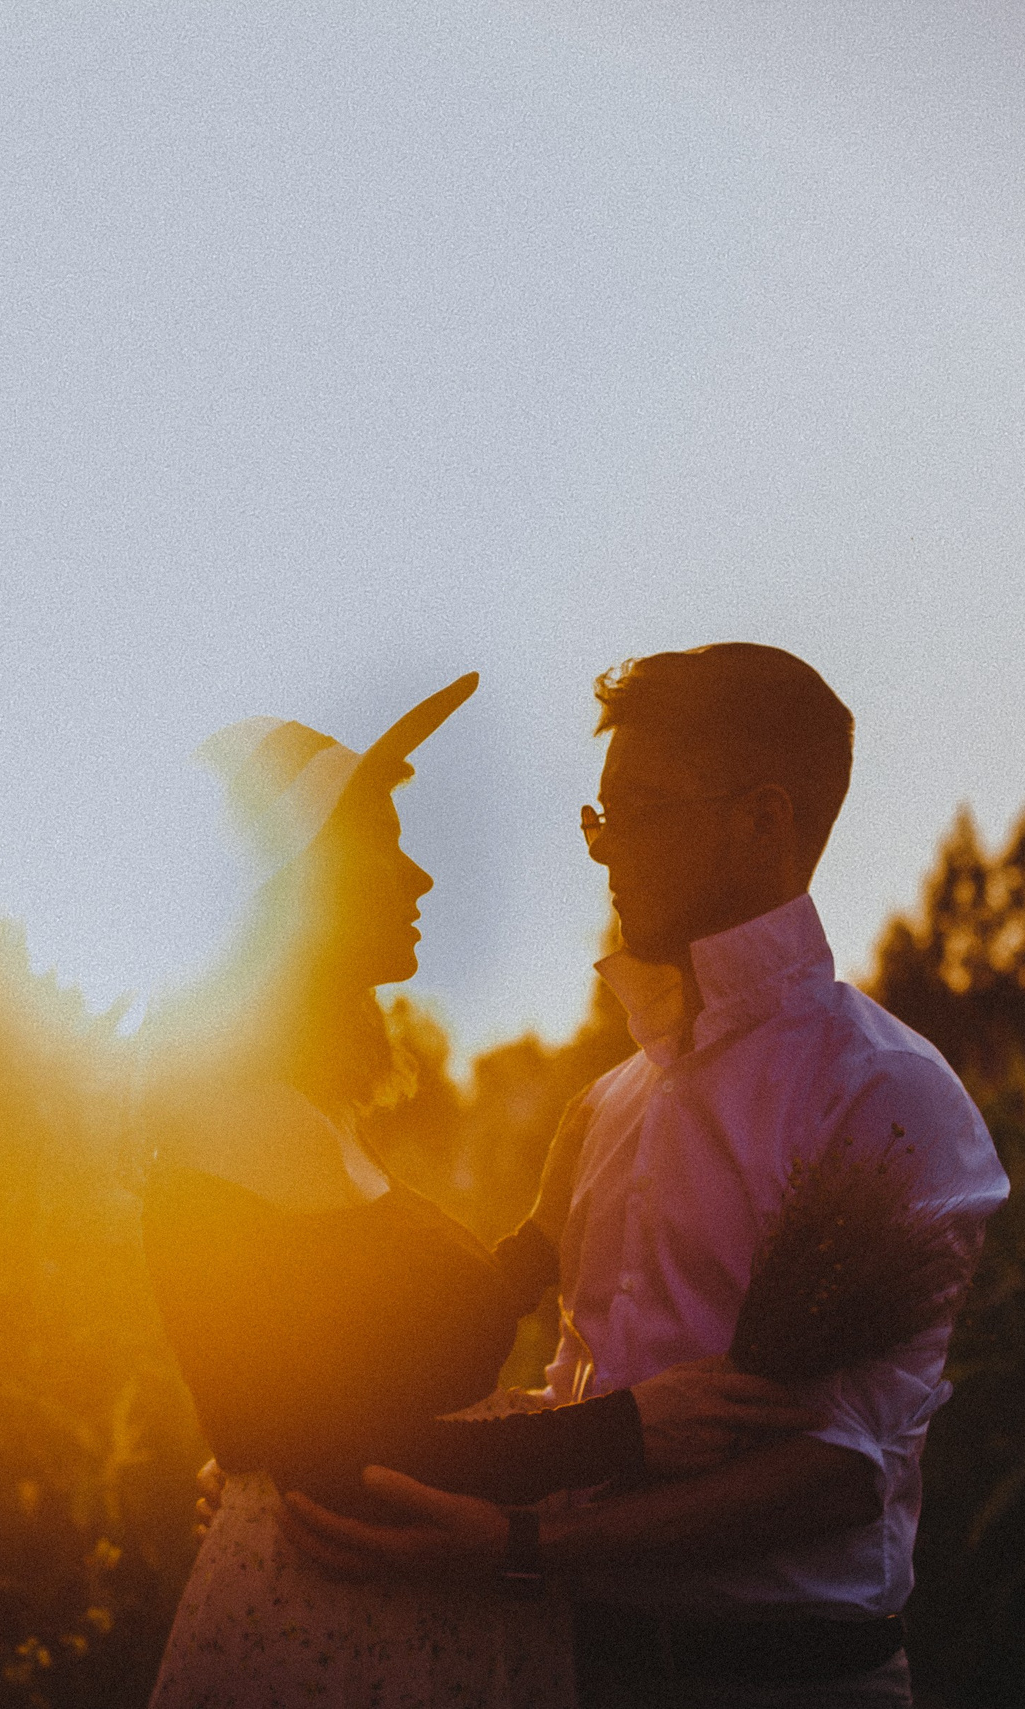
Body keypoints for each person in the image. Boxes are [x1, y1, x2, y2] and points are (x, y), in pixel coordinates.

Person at [278, 644, 1011, 1707]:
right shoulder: (607, 1104)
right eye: (597, 815)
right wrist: (305, 1467)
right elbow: (584, 1396)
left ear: (764, 821)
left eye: (638, 811)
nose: (604, 850)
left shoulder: (882, 1091)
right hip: (575, 1672)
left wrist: (521, 1541)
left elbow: (836, 1466)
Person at [141, 672, 819, 1709]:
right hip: (336, 1636)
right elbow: (332, 1452)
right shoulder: (241, 1113)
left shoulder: (302, 1115)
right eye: (381, 843)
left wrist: (538, 1236)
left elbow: (358, 1368)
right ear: (293, 885)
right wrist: (627, 1428)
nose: (417, 877)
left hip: (383, 1622)